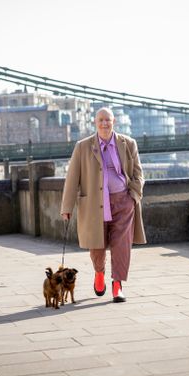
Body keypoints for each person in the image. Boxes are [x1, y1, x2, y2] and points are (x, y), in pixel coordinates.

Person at [60, 107, 146, 303]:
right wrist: (67, 207)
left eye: (107, 120)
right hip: (94, 203)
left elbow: (138, 173)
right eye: (101, 120)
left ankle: (117, 285)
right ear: (95, 123)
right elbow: (72, 178)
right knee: (96, 244)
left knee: (122, 244)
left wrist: (133, 195)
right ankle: (99, 273)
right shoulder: (83, 146)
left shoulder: (128, 143)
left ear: (114, 121)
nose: (104, 123)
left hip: (123, 201)